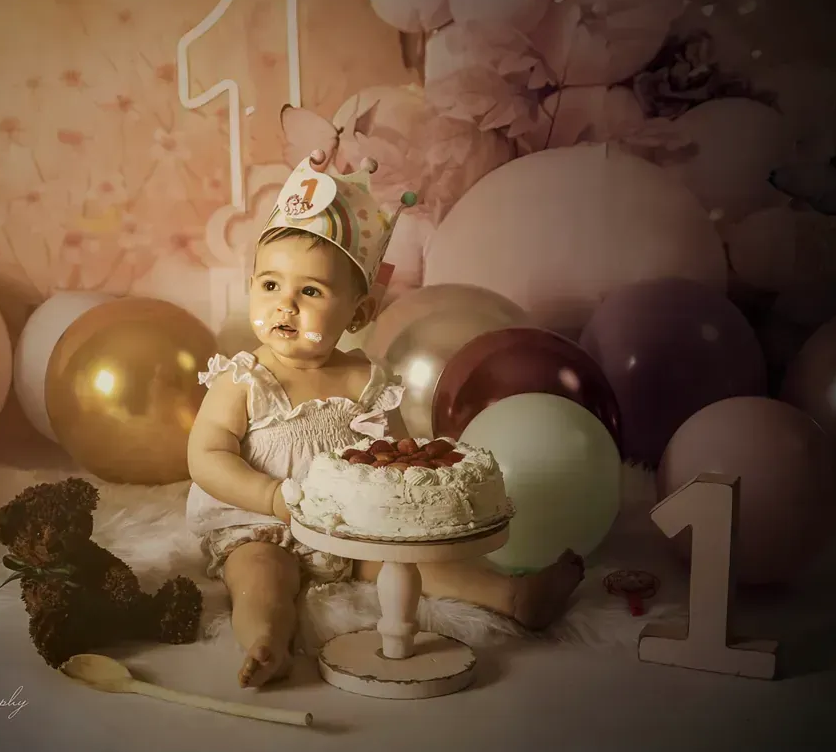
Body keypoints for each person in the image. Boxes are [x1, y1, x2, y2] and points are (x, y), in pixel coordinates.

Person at [185, 150, 585, 688]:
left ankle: (515, 596)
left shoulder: (365, 379)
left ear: (358, 314)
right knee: (261, 577)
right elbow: (206, 455)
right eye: (270, 285)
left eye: (310, 291)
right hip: (262, 523)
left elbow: (392, 459)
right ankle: (267, 641)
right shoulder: (245, 377)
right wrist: (271, 498)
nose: (285, 305)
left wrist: (396, 515)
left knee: (413, 565)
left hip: (348, 529)